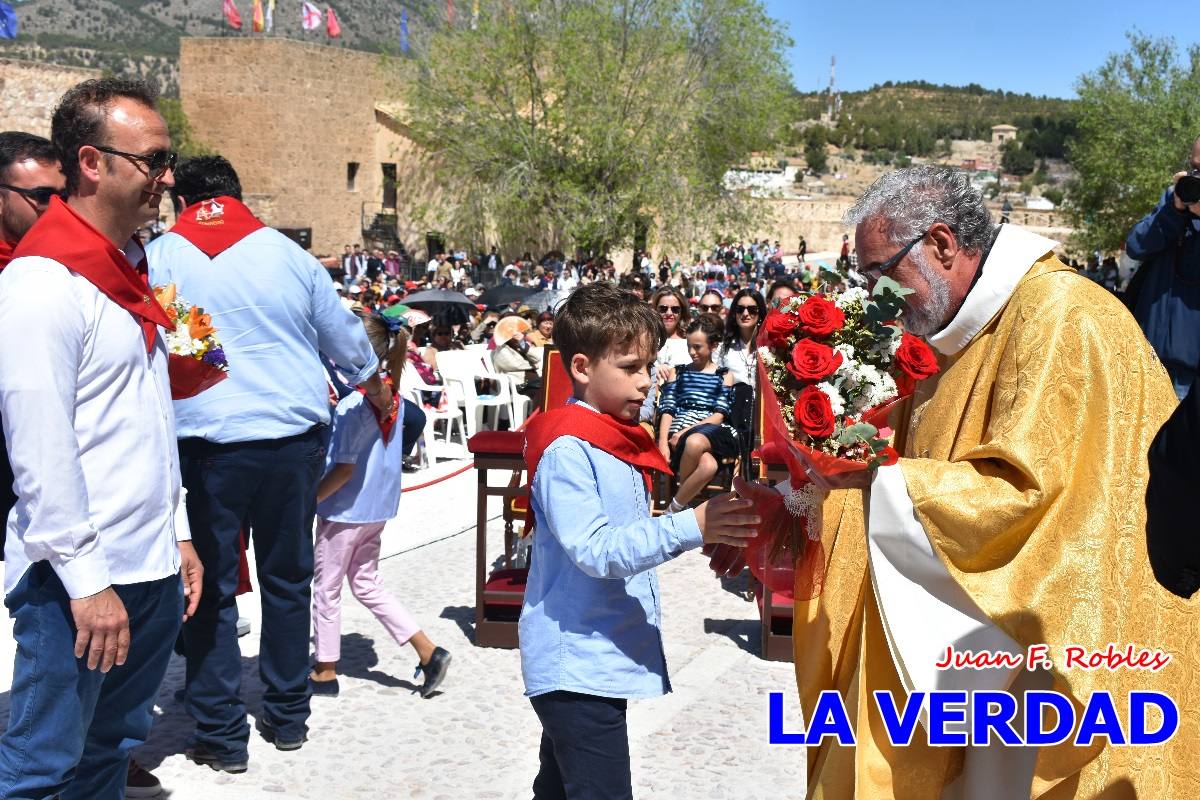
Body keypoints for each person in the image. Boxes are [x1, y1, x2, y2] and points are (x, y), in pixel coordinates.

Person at [772, 165, 1195, 797]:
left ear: (941, 244)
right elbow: (909, 466)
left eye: (881, 272)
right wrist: (803, 502)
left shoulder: (1064, 319)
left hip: (1050, 658)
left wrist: (874, 486)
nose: (875, 296)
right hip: (970, 656)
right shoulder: (952, 332)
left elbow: (1035, 502)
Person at [147, 155, 392, 772]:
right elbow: (346, 339)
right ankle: (287, 717)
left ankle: (222, 734)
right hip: (290, 443)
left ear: (183, 199)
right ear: (235, 195)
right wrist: (376, 386)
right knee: (288, 581)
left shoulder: (158, 259)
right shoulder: (291, 257)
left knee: (209, 587)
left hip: (206, 445)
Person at [0, 77, 203, 800]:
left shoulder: (128, 277)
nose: (167, 177)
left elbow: (146, 422)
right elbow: (40, 445)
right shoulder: (43, 283)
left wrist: (176, 533)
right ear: (91, 162)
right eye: (152, 160)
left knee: (108, 752)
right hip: (77, 583)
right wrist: (88, 584)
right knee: (38, 770)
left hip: (144, 565)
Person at [518, 282, 758, 800]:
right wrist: (691, 525)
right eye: (630, 368)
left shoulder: (611, 437)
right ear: (582, 367)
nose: (646, 382)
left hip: (598, 658)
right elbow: (598, 549)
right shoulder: (569, 449)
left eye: (648, 367)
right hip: (576, 665)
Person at [309, 320, 451, 697]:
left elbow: (343, 469)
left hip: (344, 510)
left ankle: (325, 669)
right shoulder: (394, 397)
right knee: (367, 583)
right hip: (377, 508)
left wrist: (310, 500)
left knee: (326, 588)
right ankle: (427, 650)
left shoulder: (353, 405)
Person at [1126, 135, 1200, 399]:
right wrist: (1174, 211)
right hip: (1146, 361)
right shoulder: (1175, 201)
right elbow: (1136, 245)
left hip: (1190, 380)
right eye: (1195, 169)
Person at [657, 314, 738, 511]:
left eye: (698, 347)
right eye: (689, 347)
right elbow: (668, 408)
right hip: (679, 429)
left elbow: (719, 415)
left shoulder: (724, 375)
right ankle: (680, 507)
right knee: (708, 467)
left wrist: (685, 433)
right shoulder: (678, 372)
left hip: (711, 430)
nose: (692, 352)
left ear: (713, 346)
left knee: (694, 441)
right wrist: (662, 443)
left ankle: (675, 510)